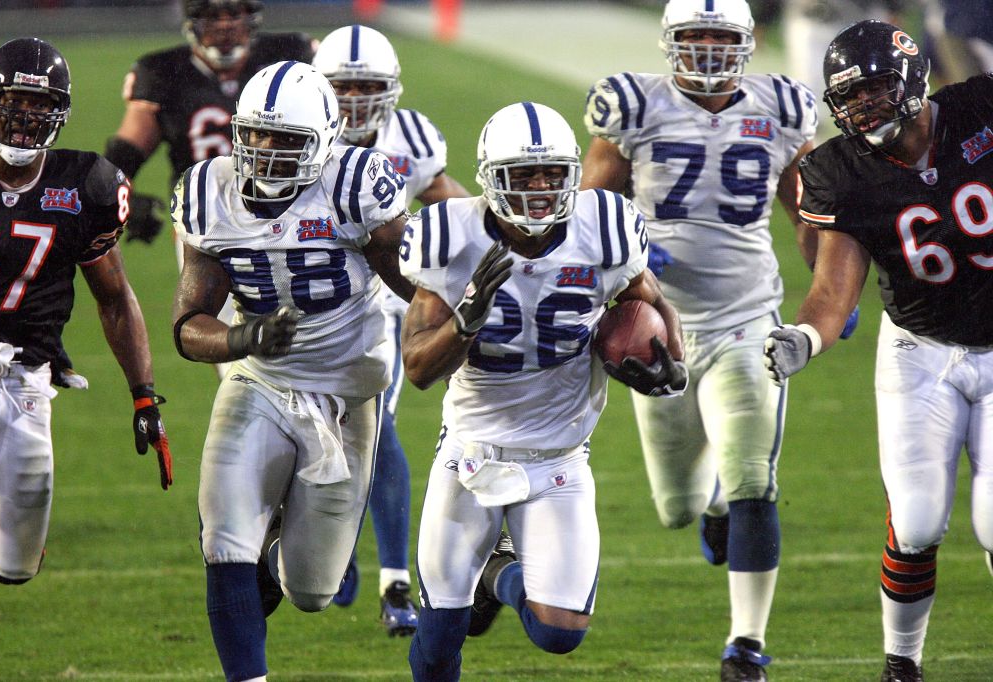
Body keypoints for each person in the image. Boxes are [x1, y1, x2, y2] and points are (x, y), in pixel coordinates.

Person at [580, 0, 841, 679]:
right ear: (669, 42)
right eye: (692, 37)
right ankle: (715, 503)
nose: (705, 51)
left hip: (746, 314)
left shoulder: (783, 107)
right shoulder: (634, 105)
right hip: (656, 325)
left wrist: (830, 289)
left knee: (755, 472)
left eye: (719, 38)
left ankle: (745, 645)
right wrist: (628, 261)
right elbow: (587, 213)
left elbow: (807, 208)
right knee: (676, 506)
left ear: (749, 43)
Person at [400, 101, 688, 681]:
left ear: (572, 175)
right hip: (470, 453)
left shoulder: (604, 226)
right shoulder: (448, 235)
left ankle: (497, 575)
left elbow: (653, 303)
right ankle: (484, 575)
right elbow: (417, 368)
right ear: (489, 178)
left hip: (559, 457)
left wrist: (672, 366)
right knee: (437, 645)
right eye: (522, 175)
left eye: (552, 174)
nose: (538, 188)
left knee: (559, 633)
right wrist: (465, 323)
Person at [170, 60, 415, 682]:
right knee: (223, 540)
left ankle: (282, 536)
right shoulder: (210, 192)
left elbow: (415, 285)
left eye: (288, 140)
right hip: (262, 380)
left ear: (326, 142)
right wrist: (241, 336)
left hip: (348, 390)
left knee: (311, 589)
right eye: (258, 136)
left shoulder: (354, 185)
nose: (269, 152)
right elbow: (188, 325)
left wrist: (471, 329)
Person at [763, 20, 993, 682]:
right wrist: (804, 338)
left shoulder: (980, 108)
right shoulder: (841, 172)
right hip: (920, 350)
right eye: (850, 98)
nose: (863, 107)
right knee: (918, 519)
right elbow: (834, 290)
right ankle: (902, 663)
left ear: (914, 79)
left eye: (874, 90)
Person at [0, 38, 172, 585]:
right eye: (13, 99)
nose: (23, 116)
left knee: (15, 566)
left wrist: (144, 392)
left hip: (26, 377)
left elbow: (114, 298)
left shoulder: (87, 185)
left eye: (38, 105)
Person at [311, 23, 470, 636]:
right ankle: (329, 538)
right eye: (341, 87)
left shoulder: (411, 139)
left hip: (386, 304)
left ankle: (394, 580)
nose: (352, 100)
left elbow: (449, 201)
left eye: (366, 86)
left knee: (378, 424)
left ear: (391, 89)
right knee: (308, 424)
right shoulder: (302, 135)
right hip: (311, 303)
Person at [106, 0, 315, 378]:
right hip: (211, 226)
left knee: (315, 338)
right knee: (236, 357)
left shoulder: (290, 55)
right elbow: (123, 156)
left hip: (294, 215)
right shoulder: (163, 72)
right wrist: (125, 198)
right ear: (191, 22)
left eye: (233, 14)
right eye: (212, 16)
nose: (224, 26)